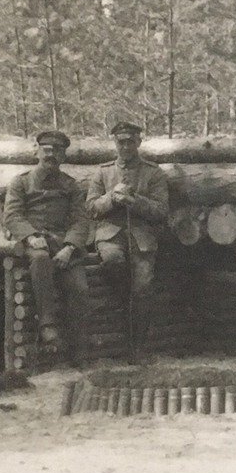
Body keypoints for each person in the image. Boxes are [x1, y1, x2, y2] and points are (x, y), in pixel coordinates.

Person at [4, 129, 91, 366]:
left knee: (80, 287)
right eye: (46, 150)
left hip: (63, 245)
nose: (50, 155)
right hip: (35, 244)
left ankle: (79, 352)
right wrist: (31, 236)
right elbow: (12, 216)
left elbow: (80, 220)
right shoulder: (21, 182)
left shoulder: (71, 186)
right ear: (37, 151)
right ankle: (47, 324)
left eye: (57, 151)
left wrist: (70, 247)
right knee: (41, 259)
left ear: (63, 156)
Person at [87, 121, 171, 361]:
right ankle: (126, 302)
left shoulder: (153, 173)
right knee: (113, 261)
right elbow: (91, 208)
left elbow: (162, 210)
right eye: (121, 142)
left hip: (141, 236)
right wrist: (112, 199)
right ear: (114, 143)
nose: (125, 146)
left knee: (143, 285)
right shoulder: (103, 172)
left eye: (130, 142)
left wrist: (136, 202)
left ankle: (138, 348)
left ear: (139, 143)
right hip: (110, 234)